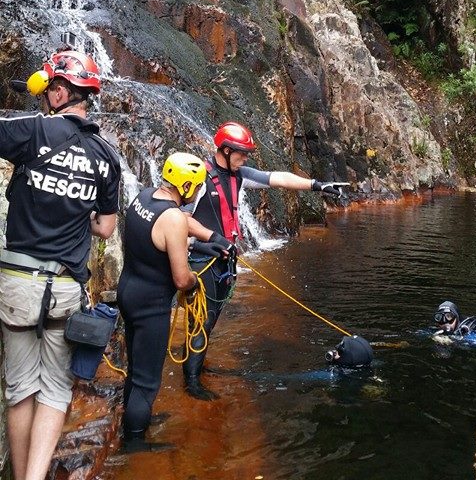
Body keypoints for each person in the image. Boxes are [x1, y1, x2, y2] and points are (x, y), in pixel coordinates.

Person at [0, 48, 121, 480]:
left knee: (19, 389)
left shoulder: (32, 132)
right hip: (66, 287)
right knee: (54, 389)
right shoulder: (106, 156)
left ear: (58, 93)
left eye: (48, 88)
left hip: (17, 282)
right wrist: (77, 210)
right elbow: (106, 228)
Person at [184, 121, 347, 400]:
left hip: (226, 261)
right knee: (202, 320)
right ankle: (191, 383)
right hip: (203, 260)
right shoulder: (200, 177)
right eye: (241, 153)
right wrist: (206, 241)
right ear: (224, 150)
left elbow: (277, 178)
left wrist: (317, 185)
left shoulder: (239, 175)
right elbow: (180, 218)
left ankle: (198, 365)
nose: (246, 158)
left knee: (212, 319)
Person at [118, 151, 216, 451]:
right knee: (148, 380)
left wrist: (205, 241)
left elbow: (160, 236)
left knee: (135, 367)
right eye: (197, 187)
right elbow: (181, 278)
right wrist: (195, 282)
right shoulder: (172, 217)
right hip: (152, 305)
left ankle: (134, 420)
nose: (198, 192)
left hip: (128, 292)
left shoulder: (145, 197)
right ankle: (134, 442)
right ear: (185, 186)